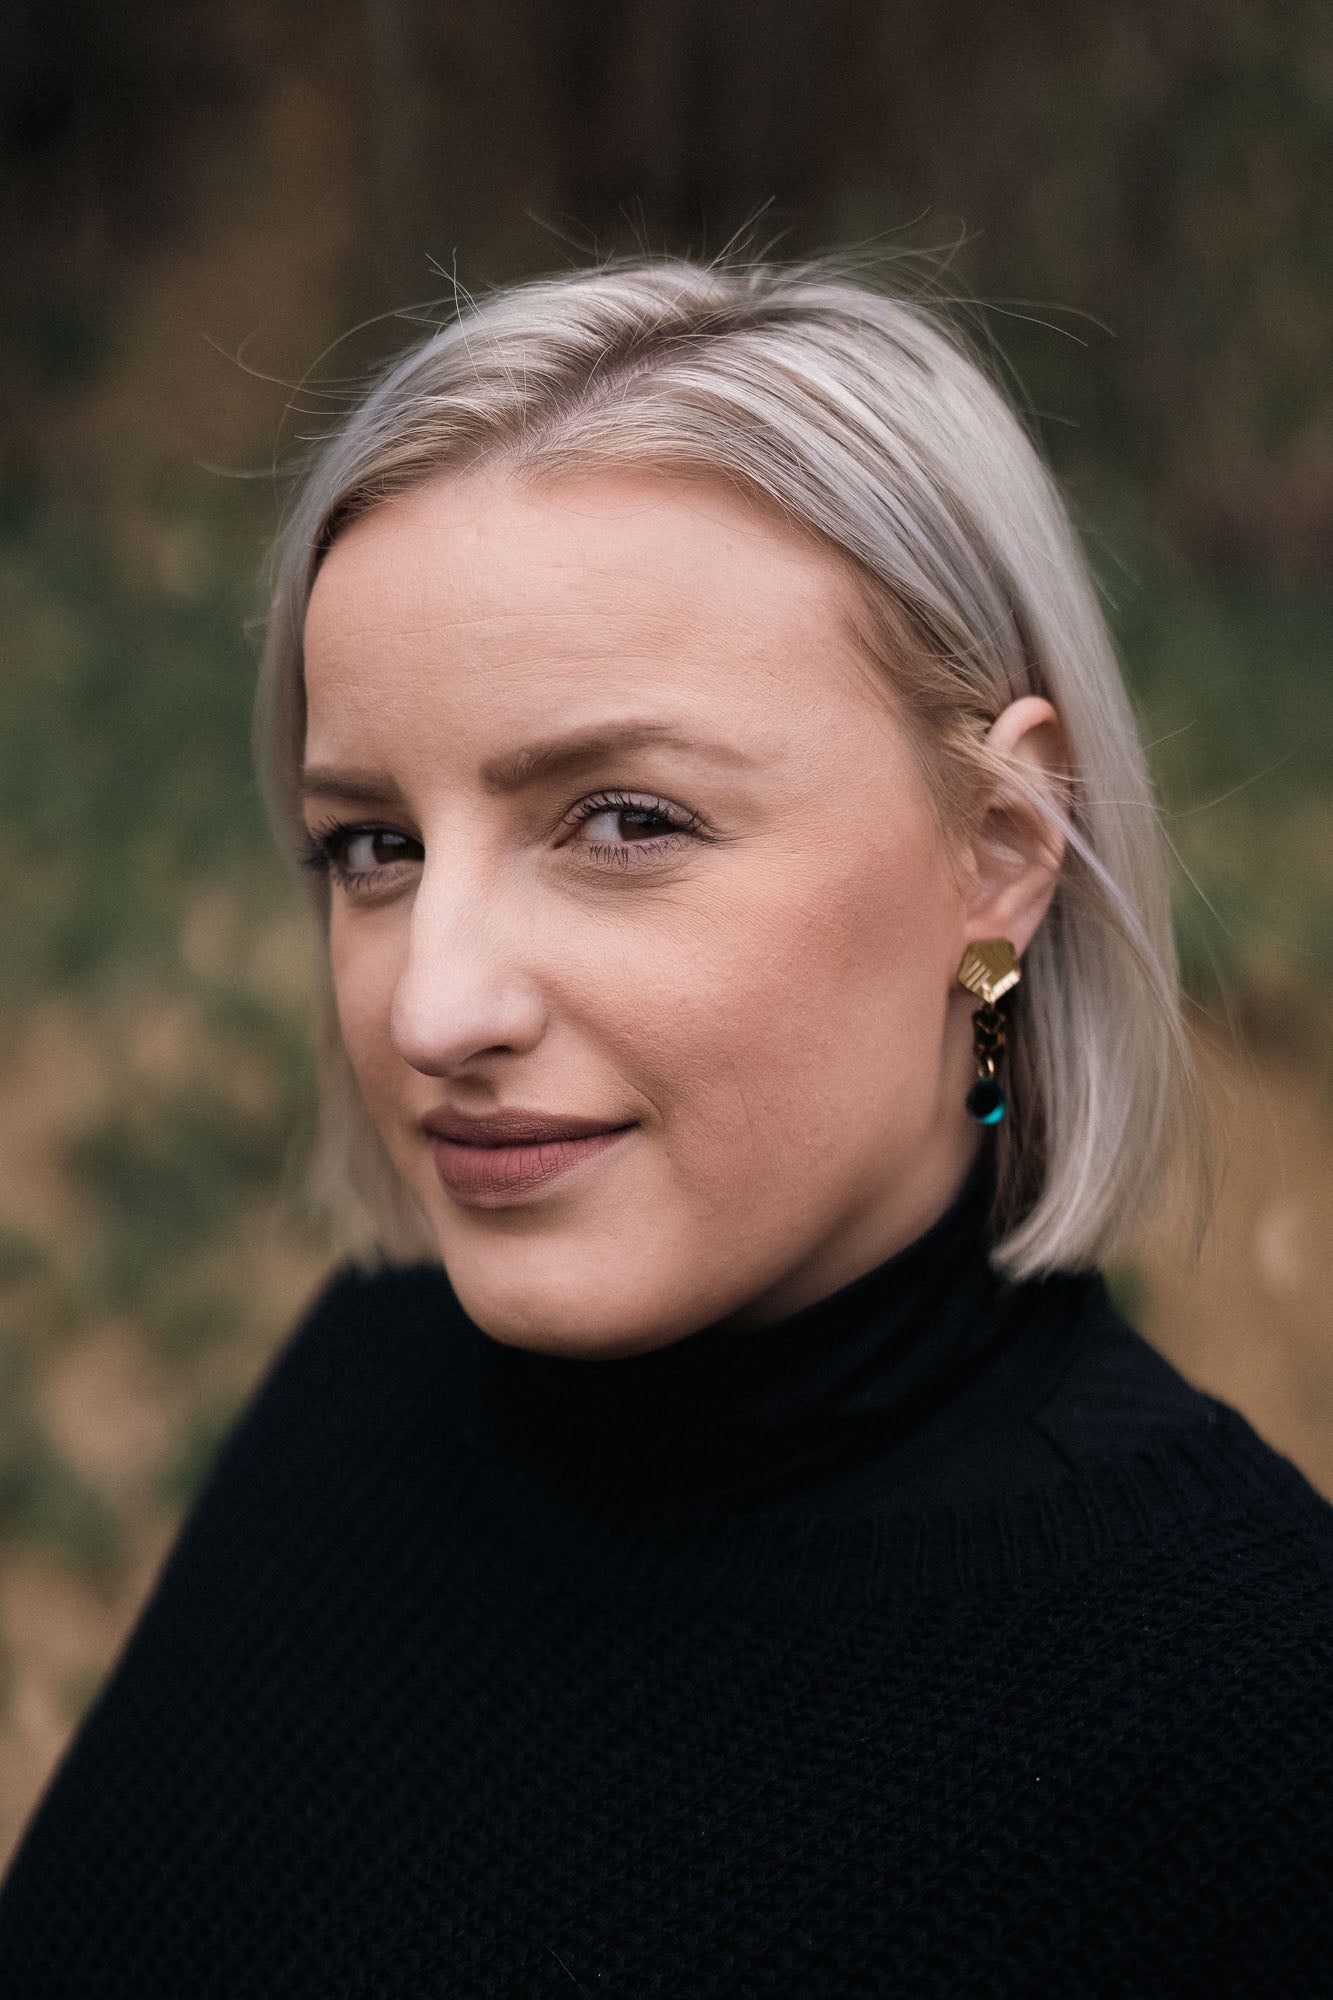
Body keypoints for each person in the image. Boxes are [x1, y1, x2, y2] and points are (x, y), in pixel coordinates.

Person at [1, 255, 1330, 1996]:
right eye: (372, 847)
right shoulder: (362, 1380)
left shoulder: (1246, 1710)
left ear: (999, 847)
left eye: (624, 822)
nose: (429, 1008)